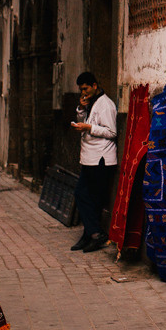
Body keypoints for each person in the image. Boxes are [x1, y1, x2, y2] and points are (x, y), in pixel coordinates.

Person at [70, 71, 117, 253]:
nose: (84, 92)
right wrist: (81, 110)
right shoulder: (91, 102)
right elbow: (86, 122)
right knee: (86, 196)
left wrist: (89, 127)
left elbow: (112, 132)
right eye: (81, 90)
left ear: (95, 86)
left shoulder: (105, 104)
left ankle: (96, 234)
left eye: (86, 88)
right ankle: (90, 234)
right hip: (90, 158)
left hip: (101, 159)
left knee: (85, 195)